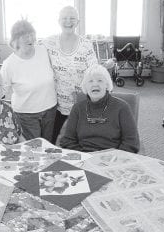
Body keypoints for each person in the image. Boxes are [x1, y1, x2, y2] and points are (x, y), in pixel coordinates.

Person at [43, 6, 98, 144]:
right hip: (55, 104)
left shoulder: (86, 45)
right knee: (53, 142)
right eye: (64, 18)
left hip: (80, 103)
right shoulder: (49, 42)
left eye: (72, 18)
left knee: (82, 142)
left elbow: (94, 73)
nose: (68, 21)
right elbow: (30, 54)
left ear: (78, 22)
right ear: (58, 21)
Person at [60, 64, 140, 153]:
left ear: (107, 85)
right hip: (83, 157)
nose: (95, 84)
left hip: (113, 160)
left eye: (100, 80)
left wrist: (114, 159)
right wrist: (84, 157)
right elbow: (68, 140)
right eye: (90, 81)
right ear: (85, 86)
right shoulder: (77, 108)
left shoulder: (122, 107)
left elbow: (131, 142)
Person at [1, 19, 57, 142]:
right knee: (34, 150)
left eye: (32, 34)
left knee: (49, 147)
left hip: (50, 109)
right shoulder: (9, 64)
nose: (30, 39)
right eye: (25, 36)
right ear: (15, 40)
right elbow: (2, 90)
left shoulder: (43, 51)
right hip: (26, 114)